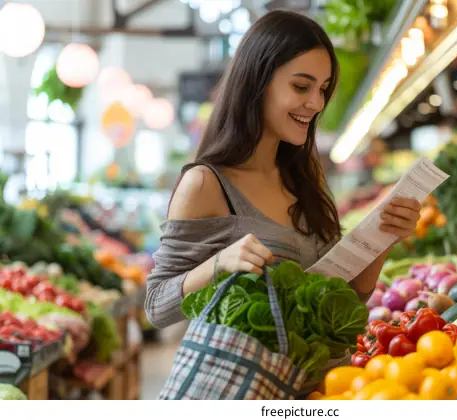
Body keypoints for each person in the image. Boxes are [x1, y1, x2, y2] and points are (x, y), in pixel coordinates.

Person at [145, 9, 420, 388]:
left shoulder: (307, 179)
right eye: (302, 86)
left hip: (324, 392)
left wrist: (384, 238)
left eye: (323, 89)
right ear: (258, 82)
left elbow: (348, 300)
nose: (317, 103)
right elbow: (157, 306)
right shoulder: (206, 184)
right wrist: (219, 264)